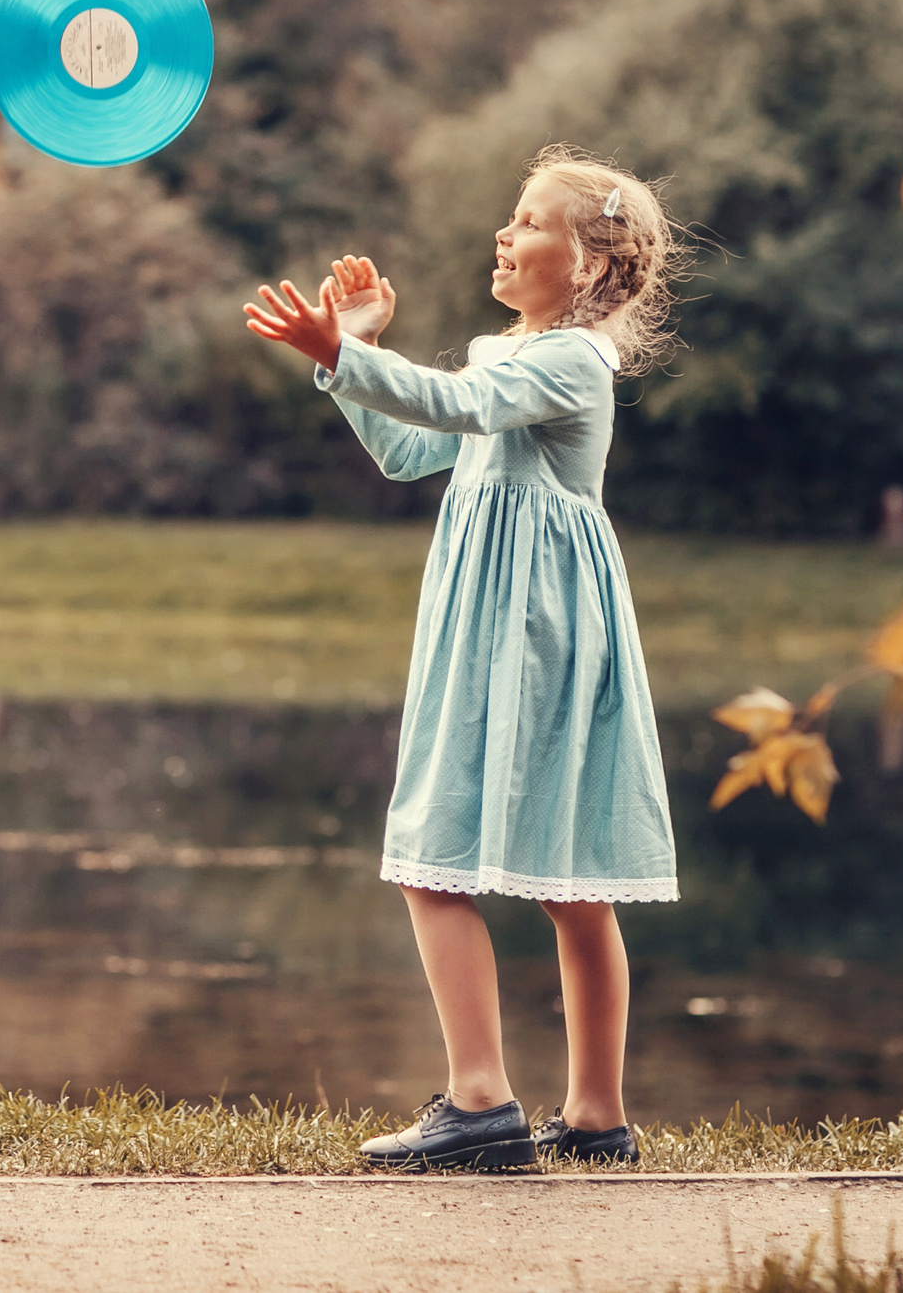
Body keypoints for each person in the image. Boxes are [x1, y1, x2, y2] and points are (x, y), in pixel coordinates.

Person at [241, 145, 684, 1172]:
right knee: (554, 880)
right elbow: (409, 446)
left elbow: (451, 407)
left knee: (445, 858)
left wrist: (349, 355)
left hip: (530, 632)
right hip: (500, 624)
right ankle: (592, 1118)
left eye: (530, 220)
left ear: (584, 267)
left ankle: (488, 1100)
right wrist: (346, 357)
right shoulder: (511, 360)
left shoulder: (569, 362)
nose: (505, 231)